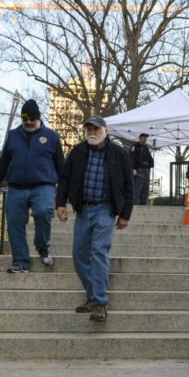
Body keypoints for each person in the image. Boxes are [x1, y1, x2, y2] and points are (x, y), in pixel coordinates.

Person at [55, 116, 134, 322]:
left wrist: (125, 214)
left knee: (98, 252)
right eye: (89, 128)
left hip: (105, 210)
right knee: (79, 256)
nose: (91, 132)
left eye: (95, 128)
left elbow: (129, 186)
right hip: (83, 210)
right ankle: (92, 296)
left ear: (105, 130)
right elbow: (64, 178)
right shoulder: (79, 151)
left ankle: (99, 303)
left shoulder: (118, 153)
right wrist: (60, 204)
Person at [0, 99, 64, 273]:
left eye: (32, 119)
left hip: (43, 185)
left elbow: (61, 166)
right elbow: (4, 161)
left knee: (43, 212)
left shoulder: (52, 137)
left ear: (38, 118)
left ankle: (42, 247)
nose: (28, 122)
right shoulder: (13, 135)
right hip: (16, 186)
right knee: (14, 222)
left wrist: (64, 193)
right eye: (25, 119)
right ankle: (21, 261)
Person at [130, 133, 154, 205]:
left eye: (146, 137)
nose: (145, 139)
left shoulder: (146, 148)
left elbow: (150, 159)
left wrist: (150, 165)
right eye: (144, 137)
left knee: (145, 189)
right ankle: (135, 205)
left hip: (146, 170)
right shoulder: (135, 146)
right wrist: (133, 168)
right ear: (140, 138)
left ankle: (143, 205)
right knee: (138, 188)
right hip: (139, 170)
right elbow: (131, 158)